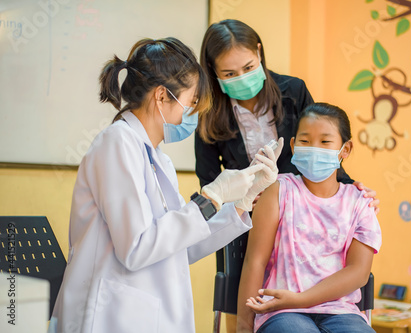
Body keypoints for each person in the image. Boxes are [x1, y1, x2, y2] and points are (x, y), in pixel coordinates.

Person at [48, 37, 280, 333]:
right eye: (192, 101)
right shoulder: (117, 143)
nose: (194, 112)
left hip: (144, 312)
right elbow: (137, 249)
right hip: (108, 315)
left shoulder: (158, 158)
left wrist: (241, 202)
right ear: (161, 96)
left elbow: (181, 244)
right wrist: (211, 197)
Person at [195, 19, 379, 332]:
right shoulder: (211, 119)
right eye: (229, 74)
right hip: (247, 223)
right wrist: (238, 208)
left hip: (303, 210)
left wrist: (352, 193)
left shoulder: (293, 91)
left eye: (248, 66)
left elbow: (319, 136)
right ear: (213, 72)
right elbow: (210, 189)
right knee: (248, 304)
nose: (241, 78)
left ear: (259, 52)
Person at [237, 103, 382, 333]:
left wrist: (299, 298)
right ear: (293, 146)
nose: (314, 148)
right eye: (305, 141)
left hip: (341, 312)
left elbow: (358, 272)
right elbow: (255, 261)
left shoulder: (360, 202)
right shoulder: (278, 191)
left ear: (345, 149)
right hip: (281, 312)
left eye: (325, 142)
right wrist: (244, 328)